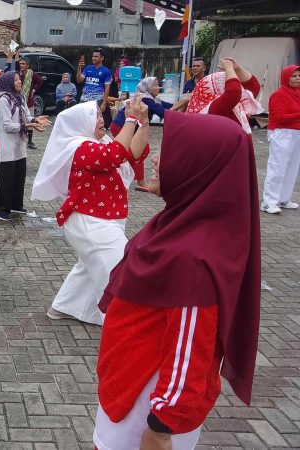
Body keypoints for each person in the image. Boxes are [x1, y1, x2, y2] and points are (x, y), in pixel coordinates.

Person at [94, 111, 261, 450]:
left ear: (199, 167)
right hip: (130, 386)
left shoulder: (192, 257)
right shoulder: (179, 223)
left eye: (171, 150)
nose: (156, 157)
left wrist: (161, 426)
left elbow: (191, 350)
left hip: (147, 404)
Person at [31, 97, 150, 325]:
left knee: (89, 266)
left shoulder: (100, 141)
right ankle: (123, 322)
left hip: (105, 218)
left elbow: (133, 153)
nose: (101, 120)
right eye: (95, 116)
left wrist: (142, 123)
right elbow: (112, 156)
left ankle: (64, 307)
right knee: (117, 269)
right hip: (89, 220)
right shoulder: (79, 146)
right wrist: (130, 118)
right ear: (81, 121)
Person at [0, 71, 50, 221]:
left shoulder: (20, 97)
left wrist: (36, 119)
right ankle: (1, 209)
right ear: (9, 83)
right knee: (7, 177)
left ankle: (16, 205)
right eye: (16, 80)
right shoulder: (3, 99)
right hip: (8, 143)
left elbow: (26, 115)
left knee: (20, 175)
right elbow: (6, 125)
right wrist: (27, 125)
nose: (19, 82)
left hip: (19, 143)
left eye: (19, 79)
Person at [110, 77, 168, 191]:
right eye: (155, 85)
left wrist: (186, 102)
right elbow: (163, 112)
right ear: (148, 87)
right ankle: (138, 182)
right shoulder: (145, 99)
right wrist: (184, 102)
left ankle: (122, 177)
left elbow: (168, 106)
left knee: (135, 152)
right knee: (138, 151)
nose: (158, 88)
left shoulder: (153, 99)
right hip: (122, 126)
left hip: (127, 126)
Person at [186, 57, 262, 135]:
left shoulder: (235, 104)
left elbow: (253, 87)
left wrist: (238, 69)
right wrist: (229, 69)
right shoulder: (212, 107)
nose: (234, 84)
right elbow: (234, 93)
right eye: (225, 83)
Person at [261, 64, 300, 214]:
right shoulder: (279, 94)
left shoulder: (298, 93)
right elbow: (280, 117)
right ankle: (268, 202)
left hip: (296, 134)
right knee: (277, 168)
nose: (297, 78)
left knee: (292, 168)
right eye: (294, 76)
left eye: (299, 76)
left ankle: (283, 199)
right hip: (282, 134)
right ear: (286, 77)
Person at [0, 51, 18, 168]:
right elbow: (7, 73)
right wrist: (10, 60)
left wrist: (15, 59)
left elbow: (12, 74)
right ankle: (1, 163)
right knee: (0, 139)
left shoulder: (0, 86)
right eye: (0, 74)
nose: (3, 76)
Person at [76, 48, 114, 127]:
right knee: (81, 118)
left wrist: (104, 103)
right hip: (84, 98)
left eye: (96, 56)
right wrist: (79, 68)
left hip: (96, 99)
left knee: (93, 120)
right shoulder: (88, 68)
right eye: (93, 56)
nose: (93, 58)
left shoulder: (106, 71)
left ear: (102, 58)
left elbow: (107, 88)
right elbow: (79, 80)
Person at [17, 56, 44, 149]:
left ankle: (30, 141)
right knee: (19, 121)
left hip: (29, 102)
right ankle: (20, 140)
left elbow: (40, 82)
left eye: (23, 64)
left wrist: (33, 90)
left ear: (27, 65)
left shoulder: (32, 74)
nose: (21, 65)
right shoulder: (17, 74)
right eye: (20, 64)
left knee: (30, 120)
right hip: (18, 101)